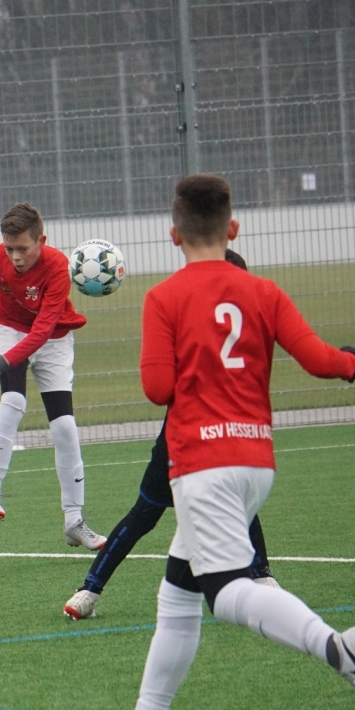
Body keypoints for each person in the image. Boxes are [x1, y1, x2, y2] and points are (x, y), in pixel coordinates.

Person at [83, 174, 355, 710]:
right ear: (234, 229)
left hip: (203, 465)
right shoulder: (262, 291)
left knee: (225, 595)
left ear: (173, 235)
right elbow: (319, 358)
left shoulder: (165, 297)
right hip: (254, 462)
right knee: (178, 594)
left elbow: (157, 389)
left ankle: (339, 649)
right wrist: (352, 362)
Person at [63, 250, 278, 621]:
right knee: (150, 514)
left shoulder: (234, 329)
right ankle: (90, 589)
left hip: (211, 440)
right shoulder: (197, 326)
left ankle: (262, 579)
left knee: (232, 506)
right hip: (186, 443)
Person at [0, 202, 106, 551]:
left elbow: (42, 333)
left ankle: (74, 521)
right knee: (13, 400)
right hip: (9, 328)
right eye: (10, 249)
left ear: (41, 241)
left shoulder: (57, 268)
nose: (15, 257)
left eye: (22, 248)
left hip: (53, 338)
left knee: (64, 427)